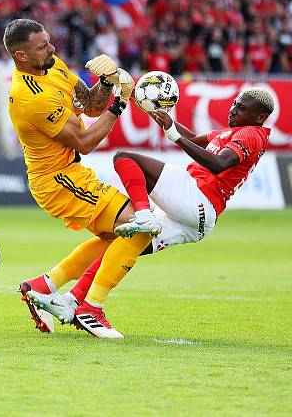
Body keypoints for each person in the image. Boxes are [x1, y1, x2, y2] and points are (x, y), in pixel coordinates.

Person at [25, 88, 274, 327]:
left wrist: (174, 136)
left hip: (197, 196)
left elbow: (219, 164)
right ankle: (77, 302)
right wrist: (166, 122)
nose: (233, 110)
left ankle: (143, 213)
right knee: (121, 246)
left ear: (259, 117)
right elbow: (192, 139)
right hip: (198, 218)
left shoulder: (251, 134)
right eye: (234, 104)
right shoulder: (234, 132)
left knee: (126, 158)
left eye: (241, 108)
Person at [3, 18, 160, 339]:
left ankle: (41, 287)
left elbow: (88, 106)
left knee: (119, 237)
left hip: (69, 173)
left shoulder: (52, 66)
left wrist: (105, 81)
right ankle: (89, 308)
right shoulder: (31, 98)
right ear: (21, 57)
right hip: (57, 180)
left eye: (48, 41)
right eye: (42, 46)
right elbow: (86, 142)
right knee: (138, 230)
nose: (51, 48)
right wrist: (120, 102)